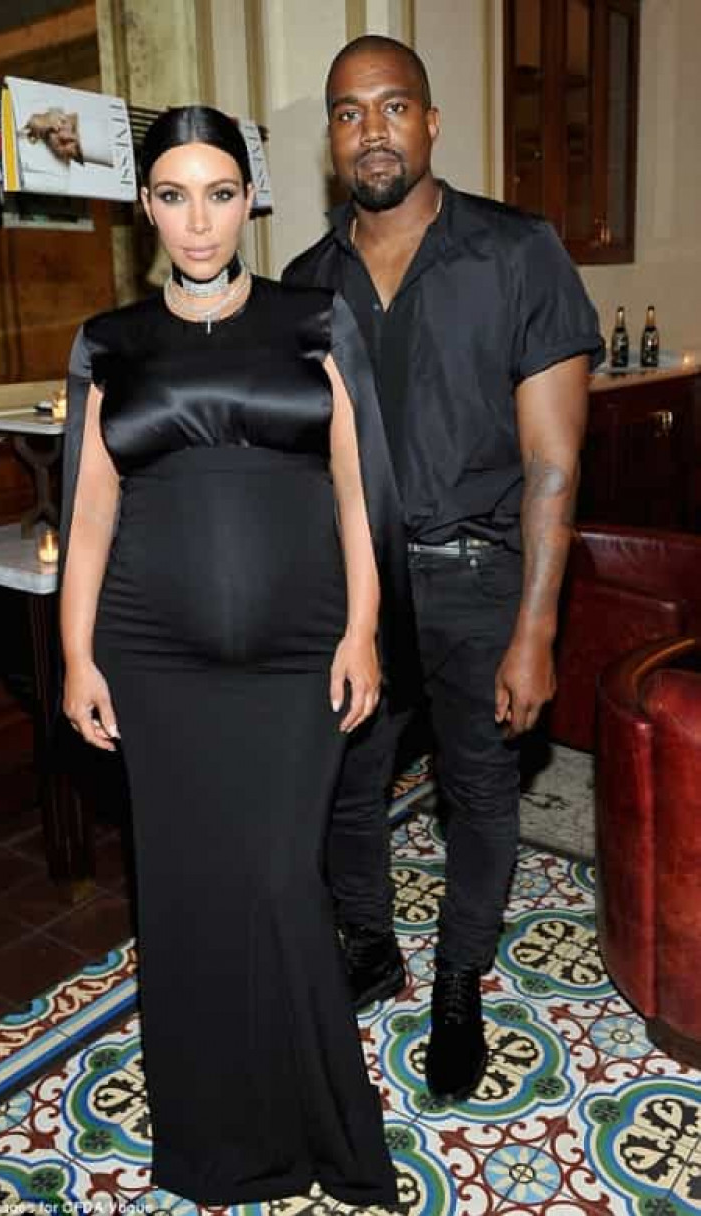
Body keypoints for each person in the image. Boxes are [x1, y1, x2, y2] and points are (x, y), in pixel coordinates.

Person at [58, 105, 416, 1209]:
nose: (199, 220)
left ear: (251, 198)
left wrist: (363, 629)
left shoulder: (315, 317)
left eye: (219, 194)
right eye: (174, 196)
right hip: (153, 659)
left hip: (296, 655)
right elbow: (90, 511)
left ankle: (322, 1127)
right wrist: (76, 655)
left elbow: (358, 489)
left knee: (278, 880)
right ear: (146, 207)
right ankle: (216, 1142)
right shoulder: (109, 341)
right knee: (185, 893)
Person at [283, 36, 604, 1103]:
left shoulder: (518, 252)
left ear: (431, 122)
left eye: (392, 106)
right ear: (333, 140)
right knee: (345, 789)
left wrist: (537, 629)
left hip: (476, 576)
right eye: (348, 112)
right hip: (354, 590)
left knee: (479, 791)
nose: (371, 130)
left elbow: (552, 462)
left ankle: (460, 979)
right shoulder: (306, 283)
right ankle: (371, 948)